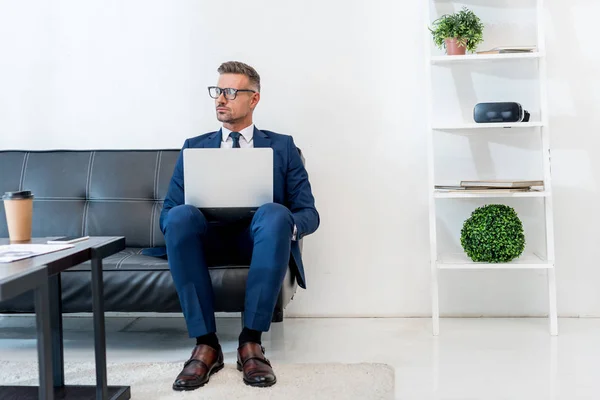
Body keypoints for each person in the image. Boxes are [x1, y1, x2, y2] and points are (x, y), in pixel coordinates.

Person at [160, 61, 320, 391]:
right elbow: (168, 213)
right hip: (207, 240)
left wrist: (283, 229)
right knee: (178, 217)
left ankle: (251, 343)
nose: (221, 98)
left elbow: (308, 213)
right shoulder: (194, 147)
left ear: (254, 99)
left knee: (276, 214)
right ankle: (206, 345)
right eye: (218, 91)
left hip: (259, 240)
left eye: (231, 92)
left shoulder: (282, 147)